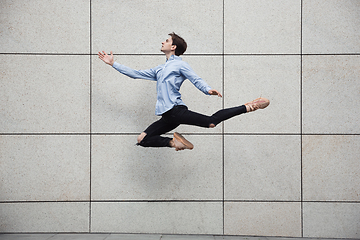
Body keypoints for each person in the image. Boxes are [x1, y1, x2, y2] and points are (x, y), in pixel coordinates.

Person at [98, 32, 269, 151]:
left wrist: (207, 89)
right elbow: (136, 74)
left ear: (173, 47)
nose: (162, 42)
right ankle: (175, 143)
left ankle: (249, 106)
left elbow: (195, 78)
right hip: (167, 116)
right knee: (142, 139)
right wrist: (113, 64)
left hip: (176, 110)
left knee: (211, 122)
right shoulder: (160, 69)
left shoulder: (180, 64)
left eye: (166, 40)